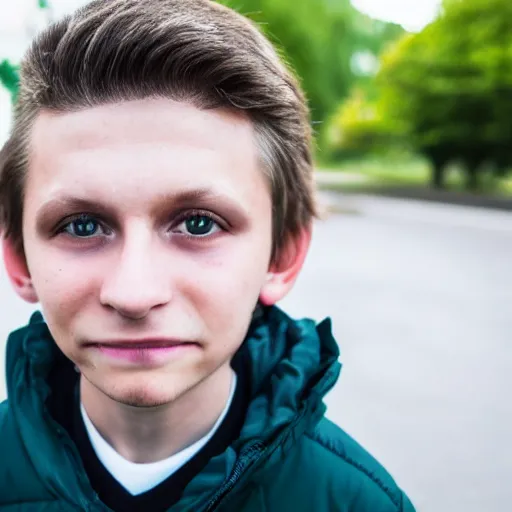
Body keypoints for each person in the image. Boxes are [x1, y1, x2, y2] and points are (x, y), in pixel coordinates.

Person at [0, 1, 415, 510]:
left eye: (199, 224)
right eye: (82, 226)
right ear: (19, 259)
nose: (135, 294)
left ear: (281, 255)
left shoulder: (358, 503)